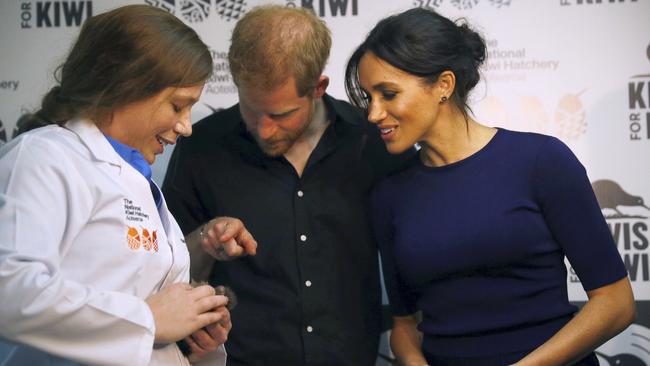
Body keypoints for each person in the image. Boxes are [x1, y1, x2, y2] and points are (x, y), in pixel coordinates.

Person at [345, 7, 635, 366]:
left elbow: (616, 302)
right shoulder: (389, 194)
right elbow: (404, 325)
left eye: (387, 94)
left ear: (443, 86)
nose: (373, 113)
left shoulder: (541, 162)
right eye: (368, 97)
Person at [0, 5, 254, 365]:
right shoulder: (44, 158)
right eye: (178, 106)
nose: (186, 127)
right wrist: (148, 321)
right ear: (127, 86)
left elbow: (145, 321)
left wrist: (191, 333)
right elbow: (10, 293)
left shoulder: (139, 181)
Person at [162, 5, 411, 365]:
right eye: (251, 109)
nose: (264, 129)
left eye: (280, 115)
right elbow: (171, 269)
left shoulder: (371, 141)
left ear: (318, 88)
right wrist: (205, 239)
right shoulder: (202, 147)